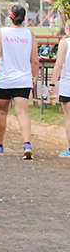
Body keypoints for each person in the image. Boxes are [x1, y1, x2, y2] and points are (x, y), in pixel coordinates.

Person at [0, 5, 39, 160]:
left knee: (1, 112)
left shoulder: (3, 32)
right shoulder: (29, 34)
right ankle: (27, 144)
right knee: (23, 112)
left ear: (10, 17)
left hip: (4, 79)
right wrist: (34, 77)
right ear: (24, 18)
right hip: (23, 79)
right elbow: (35, 60)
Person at [49, 20, 70, 157]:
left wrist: (52, 84)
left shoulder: (65, 43)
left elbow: (59, 65)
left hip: (67, 85)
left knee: (69, 118)